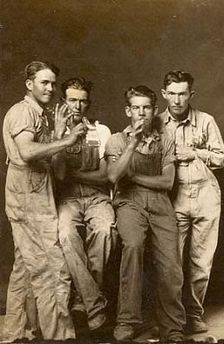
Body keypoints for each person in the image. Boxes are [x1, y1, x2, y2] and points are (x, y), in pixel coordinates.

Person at [2, 61, 85, 341]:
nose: (50, 88)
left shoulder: (41, 114)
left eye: (52, 83)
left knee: (25, 267)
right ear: (30, 85)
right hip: (27, 196)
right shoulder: (23, 112)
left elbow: (52, 163)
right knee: (49, 266)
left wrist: (60, 133)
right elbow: (27, 152)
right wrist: (68, 139)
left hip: (37, 193)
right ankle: (58, 335)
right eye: (43, 83)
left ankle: (14, 333)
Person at [105, 85, 186, 342]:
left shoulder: (166, 139)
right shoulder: (117, 140)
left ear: (154, 111)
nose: (141, 113)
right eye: (136, 108)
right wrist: (133, 144)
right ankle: (126, 321)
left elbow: (167, 183)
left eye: (147, 108)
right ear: (128, 110)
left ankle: (172, 327)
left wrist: (134, 176)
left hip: (161, 204)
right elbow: (113, 176)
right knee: (133, 246)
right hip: (129, 203)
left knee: (171, 263)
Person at [159, 70, 224, 334]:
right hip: (173, 196)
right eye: (172, 93)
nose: (177, 100)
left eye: (183, 93)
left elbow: (221, 158)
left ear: (191, 94)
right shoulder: (156, 122)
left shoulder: (205, 120)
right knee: (171, 261)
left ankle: (194, 314)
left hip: (206, 195)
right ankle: (172, 317)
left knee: (201, 261)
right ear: (165, 94)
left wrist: (194, 153)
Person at [53, 77, 116, 332]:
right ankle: (95, 305)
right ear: (63, 102)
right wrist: (60, 136)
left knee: (105, 232)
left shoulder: (101, 131)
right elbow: (58, 175)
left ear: (89, 103)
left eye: (82, 101)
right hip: (68, 198)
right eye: (72, 100)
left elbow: (104, 175)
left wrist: (73, 174)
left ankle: (82, 302)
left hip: (97, 196)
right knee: (66, 234)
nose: (77, 106)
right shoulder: (54, 131)